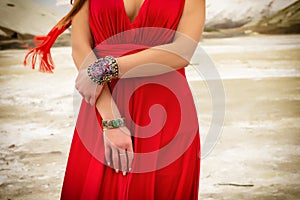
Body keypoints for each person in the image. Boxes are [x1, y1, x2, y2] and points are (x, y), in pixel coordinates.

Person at [24, 0, 205, 199]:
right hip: (102, 105)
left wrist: (106, 69)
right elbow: (80, 47)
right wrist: (110, 120)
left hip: (167, 111)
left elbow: (182, 52)